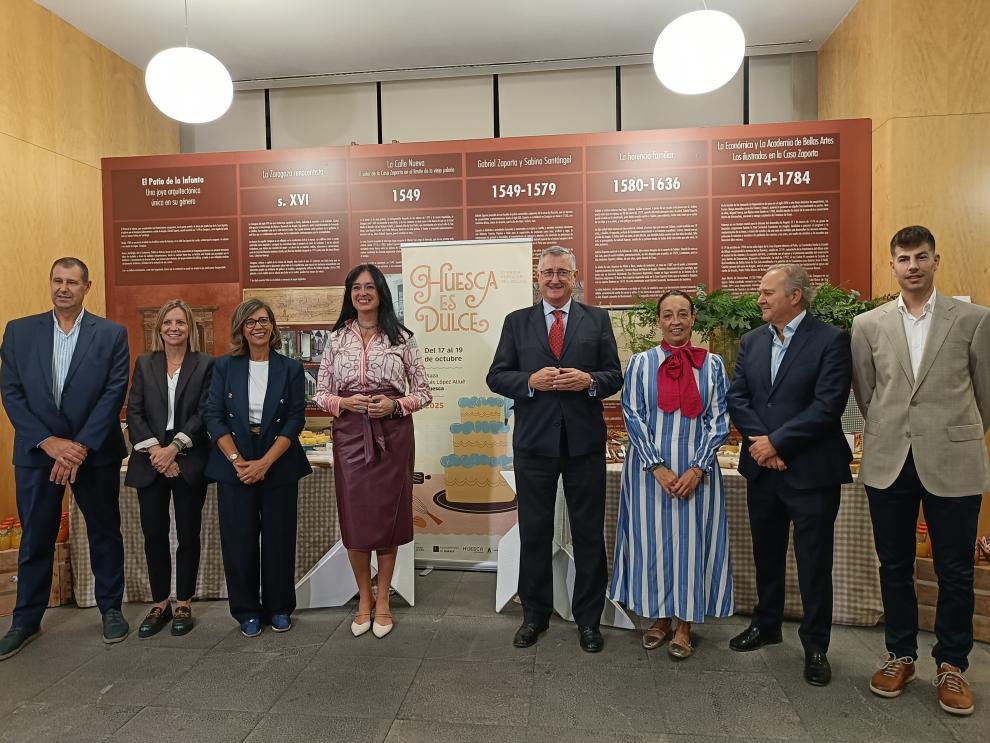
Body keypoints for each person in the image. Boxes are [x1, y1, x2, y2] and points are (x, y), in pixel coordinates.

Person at [851, 226, 990, 716]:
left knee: (954, 569)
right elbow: (868, 393)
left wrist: (949, 432)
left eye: (921, 256)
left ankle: (951, 665)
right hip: (889, 460)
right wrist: (895, 431)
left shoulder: (974, 319)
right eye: (904, 258)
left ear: (936, 261)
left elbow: (984, 394)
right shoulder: (867, 324)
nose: (912, 265)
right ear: (892, 265)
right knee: (894, 565)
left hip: (953, 459)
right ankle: (900, 655)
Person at [487, 245, 622, 653]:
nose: (555, 279)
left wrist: (590, 381)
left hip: (584, 444)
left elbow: (614, 374)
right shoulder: (517, 323)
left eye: (563, 272)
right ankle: (535, 616)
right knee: (534, 532)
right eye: (548, 272)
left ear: (576, 277)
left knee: (588, 534)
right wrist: (531, 381)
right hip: (534, 445)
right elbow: (497, 376)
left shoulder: (596, 320)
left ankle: (588, 621)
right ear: (537, 277)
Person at [725, 264, 852, 687]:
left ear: (795, 296)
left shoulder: (831, 340)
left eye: (766, 292)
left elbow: (827, 404)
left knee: (814, 562)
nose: (759, 299)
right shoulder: (751, 342)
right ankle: (767, 623)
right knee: (767, 552)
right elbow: (738, 396)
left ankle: (816, 645)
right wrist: (763, 446)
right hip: (763, 471)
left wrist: (777, 443)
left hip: (812, 471)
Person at [0, 257, 130, 660]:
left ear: (86, 288)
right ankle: (25, 620)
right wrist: (49, 442)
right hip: (38, 454)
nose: (63, 288)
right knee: (36, 536)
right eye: (57, 280)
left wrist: (80, 447)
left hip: (95, 453)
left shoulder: (111, 334)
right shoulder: (19, 332)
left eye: (72, 282)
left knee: (104, 533)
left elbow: (113, 393)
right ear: (50, 283)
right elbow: (12, 392)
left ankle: (111, 610)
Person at [609, 290, 733, 657]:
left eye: (682, 314)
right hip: (650, 473)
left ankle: (685, 625)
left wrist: (697, 467)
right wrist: (657, 466)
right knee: (653, 544)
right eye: (667, 315)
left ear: (693, 318)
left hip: (699, 471)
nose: (675, 321)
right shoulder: (640, 364)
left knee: (692, 544)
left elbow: (720, 420)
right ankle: (659, 618)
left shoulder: (712, 366)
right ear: (659, 321)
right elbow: (632, 416)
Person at [313, 264, 431, 639]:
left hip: (393, 435)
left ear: (381, 291)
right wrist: (344, 405)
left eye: (369, 287)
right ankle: (363, 598)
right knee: (356, 518)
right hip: (349, 434)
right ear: (350, 294)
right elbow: (319, 393)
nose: (362, 293)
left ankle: (383, 600)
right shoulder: (335, 339)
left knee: (387, 518)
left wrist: (395, 406)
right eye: (356, 288)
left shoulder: (403, 337)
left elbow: (424, 392)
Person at [204, 299, 312, 638]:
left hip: (278, 461)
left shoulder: (290, 368)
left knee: (279, 539)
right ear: (240, 328)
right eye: (249, 322)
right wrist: (238, 462)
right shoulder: (224, 367)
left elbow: (296, 418)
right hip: (235, 460)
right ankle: (247, 610)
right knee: (239, 541)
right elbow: (213, 416)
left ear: (273, 326)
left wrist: (265, 462)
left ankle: (279, 607)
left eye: (263, 320)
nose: (257, 327)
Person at [125, 299, 214, 638]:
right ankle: (160, 601)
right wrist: (158, 454)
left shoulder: (206, 364)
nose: (173, 328)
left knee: (189, 534)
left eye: (180, 322)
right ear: (158, 329)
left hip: (189, 455)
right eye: (167, 323)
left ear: (191, 328)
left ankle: (185, 601)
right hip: (150, 457)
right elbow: (134, 412)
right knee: (154, 534)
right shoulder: (145, 363)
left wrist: (175, 449)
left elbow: (205, 412)